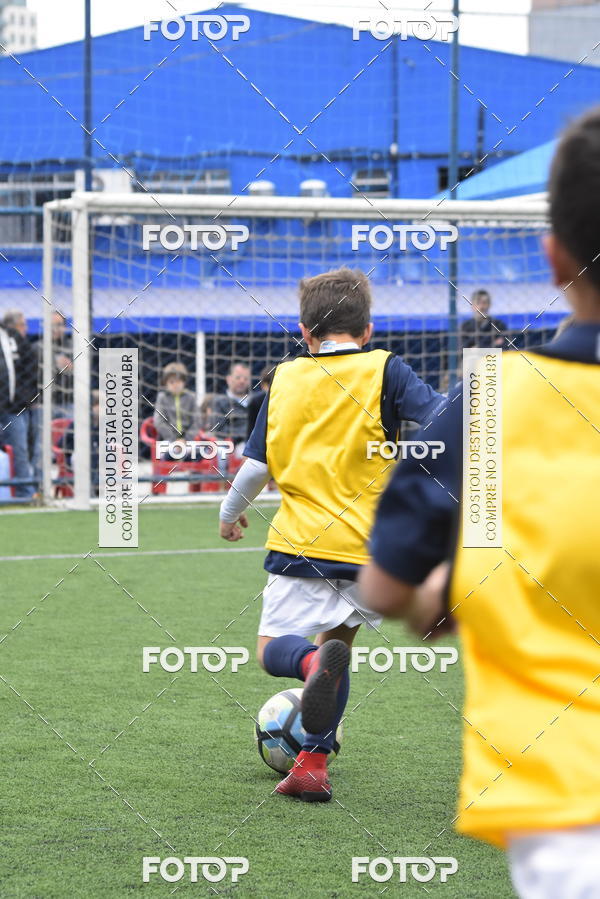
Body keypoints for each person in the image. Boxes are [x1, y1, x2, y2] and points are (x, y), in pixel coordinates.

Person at [360, 108, 600, 898]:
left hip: (569, 801)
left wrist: (453, 590)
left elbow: (386, 589)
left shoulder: (492, 400)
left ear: (554, 254)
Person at [218, 267, 444, 802]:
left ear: (303, 331)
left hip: (303, 543)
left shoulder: (286, 377)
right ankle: (312, 767)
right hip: (371, 551)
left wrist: (230, 514)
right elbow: (441, 419)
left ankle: (308, 667)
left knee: (274, 649)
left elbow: (255, 468)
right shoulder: (386, 369)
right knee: (339, 643)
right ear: (368, 331)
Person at [3, 308, 41, 493]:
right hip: (12, 405)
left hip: (18, 407)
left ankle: (26, 490)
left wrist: (25, 399)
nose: (26, 328)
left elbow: (31, 374)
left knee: (24, 449)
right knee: (21, 450)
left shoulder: (23, 346)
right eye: (22, 324)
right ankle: (25, 489)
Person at [153, 362, 200, 459]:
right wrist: (174, 440)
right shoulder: (162, 398)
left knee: (201, 452)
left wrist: (185, 440)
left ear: (184, 382)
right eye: (172, 382)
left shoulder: (191, 397)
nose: (175, 385)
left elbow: (197, 421)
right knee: (164, 453)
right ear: (166, 383)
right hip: (168, 440)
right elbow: (159, 422)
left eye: (178, 381)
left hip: (188, 441)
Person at [212, 361, 251, 446]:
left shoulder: (255, 401)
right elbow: (218, 429)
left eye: (246, 378)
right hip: (228, 445)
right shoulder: (219, 402)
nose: (242, 381)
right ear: (228, 379)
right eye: (238, 377)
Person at [246, 364, 274, 440]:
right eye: (268, 385)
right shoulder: (255, 402)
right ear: (262, 385)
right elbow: (251, 428)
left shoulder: (283, 399)